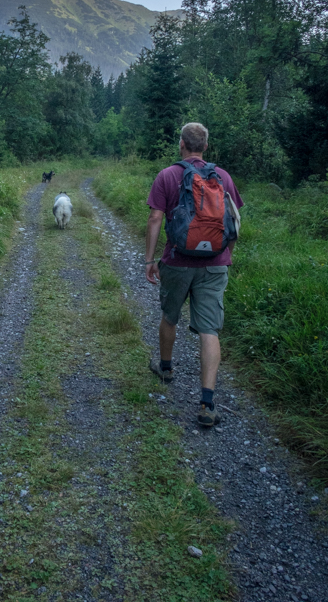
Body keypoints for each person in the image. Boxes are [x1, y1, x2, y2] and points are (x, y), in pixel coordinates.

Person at [144, 122, 243, 427]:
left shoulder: (168, 175)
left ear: (181, 145)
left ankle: (165, 367)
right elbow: (235, 221)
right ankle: (207, 403)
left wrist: (150, 259)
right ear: (206, 147)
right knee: (209, 330)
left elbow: (155, 217)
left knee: (170, 316)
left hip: (177, 261)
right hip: (215, 263)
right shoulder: (222, 176)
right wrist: (226, 256)